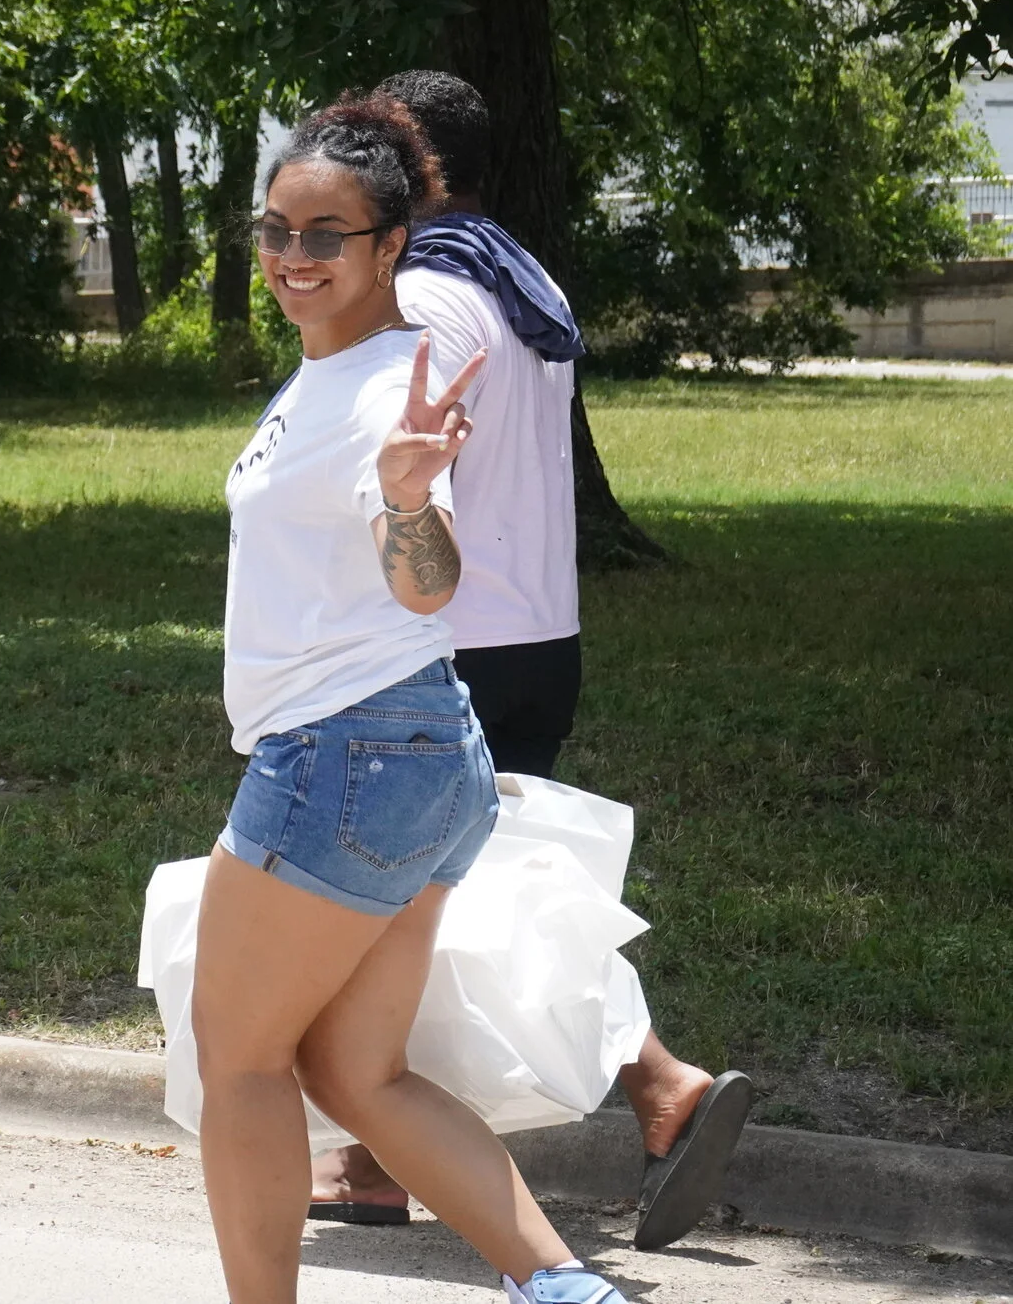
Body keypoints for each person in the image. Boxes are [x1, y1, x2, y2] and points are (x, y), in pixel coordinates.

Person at [301, 71, 751, 1252]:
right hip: (533, 630)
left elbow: (406, 480)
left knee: (406, 894)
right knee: (432, 897)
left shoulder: (432, 295)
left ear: (416, 173)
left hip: (449, 637)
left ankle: (661, 1084)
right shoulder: (517, 271)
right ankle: (368, 1155)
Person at [193, 92, 628, 1304]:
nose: (294, 255)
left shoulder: (393, 384)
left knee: (238, 1055)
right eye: (276, 228)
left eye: (328, 233)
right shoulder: (325, 372)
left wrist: (404, 500)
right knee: (356, 1069)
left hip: (347, 755)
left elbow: (424, 580)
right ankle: (565, 1291)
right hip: (422, 755)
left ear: (393, 245)